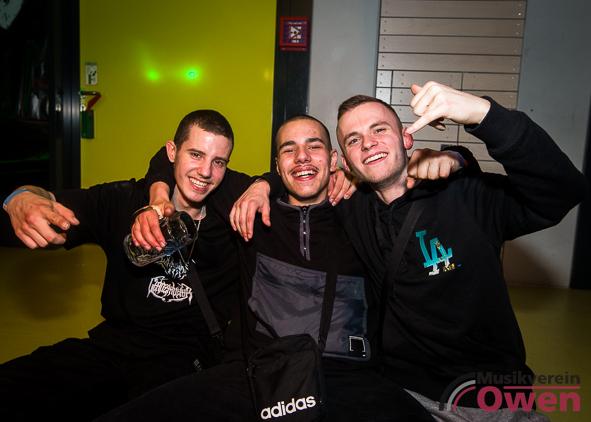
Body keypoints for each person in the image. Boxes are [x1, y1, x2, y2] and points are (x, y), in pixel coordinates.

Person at [233, 82, 587, 420]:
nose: (368, 143)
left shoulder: (466, 196)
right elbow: (302, 170)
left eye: (379, 130)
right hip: (404, 395)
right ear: (346, 161)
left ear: (406, 137)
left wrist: (483, 116)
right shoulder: (352, 207)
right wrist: (263, 184)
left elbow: (562, 191)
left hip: (491, 396)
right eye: (354, 139)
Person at [96, 114, 467, 421]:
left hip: (347, 378)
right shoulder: (248, 206)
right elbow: (175, 159)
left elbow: (426, 180)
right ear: (276, 165)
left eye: (314, 147)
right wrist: (165, 196)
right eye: (289, 150)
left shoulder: (363, 211)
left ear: (334, 160)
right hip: (257, 374)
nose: (302, 157)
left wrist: (456, 155)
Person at [0, 110, 253, 421]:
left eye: (219, 162)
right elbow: (47, 200)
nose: (205, 171)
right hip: (114, 348)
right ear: (172, 152)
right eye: (196, 154)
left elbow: (279, 190)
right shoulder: (124, 200)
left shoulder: (234, 220)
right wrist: (19, 197)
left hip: (184, 363)